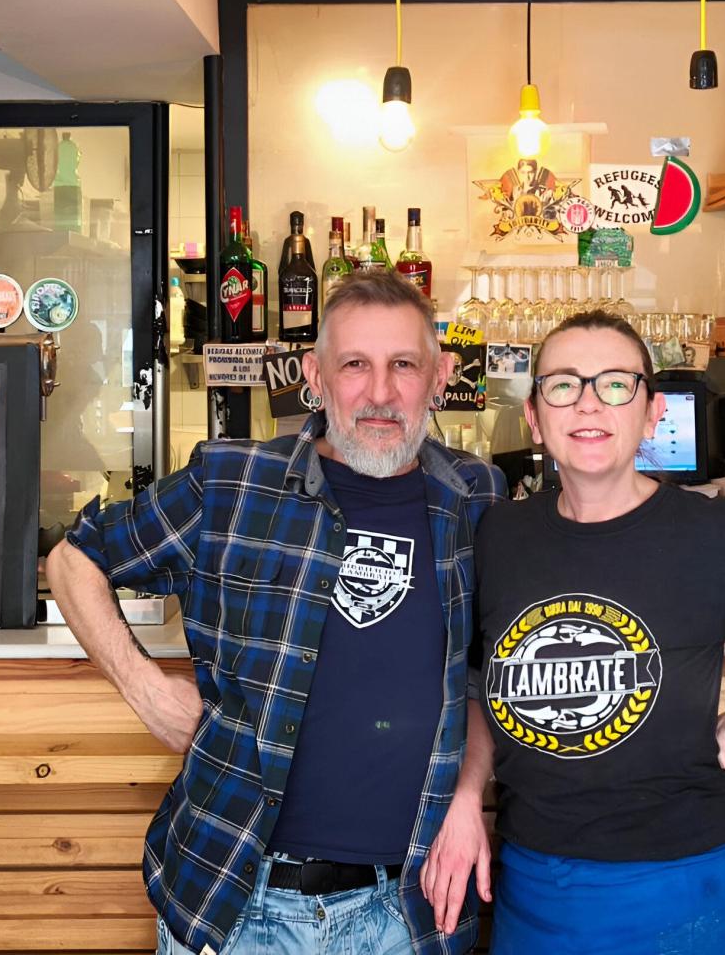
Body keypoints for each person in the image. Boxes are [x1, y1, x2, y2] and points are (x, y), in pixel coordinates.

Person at [48, 271, 505, 955]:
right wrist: (145, 689)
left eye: (404, 366)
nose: (381, 393)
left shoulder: (474, 495)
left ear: (438, 378)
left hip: (409, 911)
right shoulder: (232, 481)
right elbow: (73, 558)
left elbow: (483, 674)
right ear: (316, 378)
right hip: (240, 903)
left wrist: (469, 795)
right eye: (355, 365)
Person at [419, 311, 725, 953]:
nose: (588, 403)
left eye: (615, 384)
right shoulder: (500, 535)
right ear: (534, 417)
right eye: (563, 384)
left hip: (691, 893)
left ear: (652, 413)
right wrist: (469, 794)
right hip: (534, 889)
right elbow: (478, 681)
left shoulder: (712, 535)